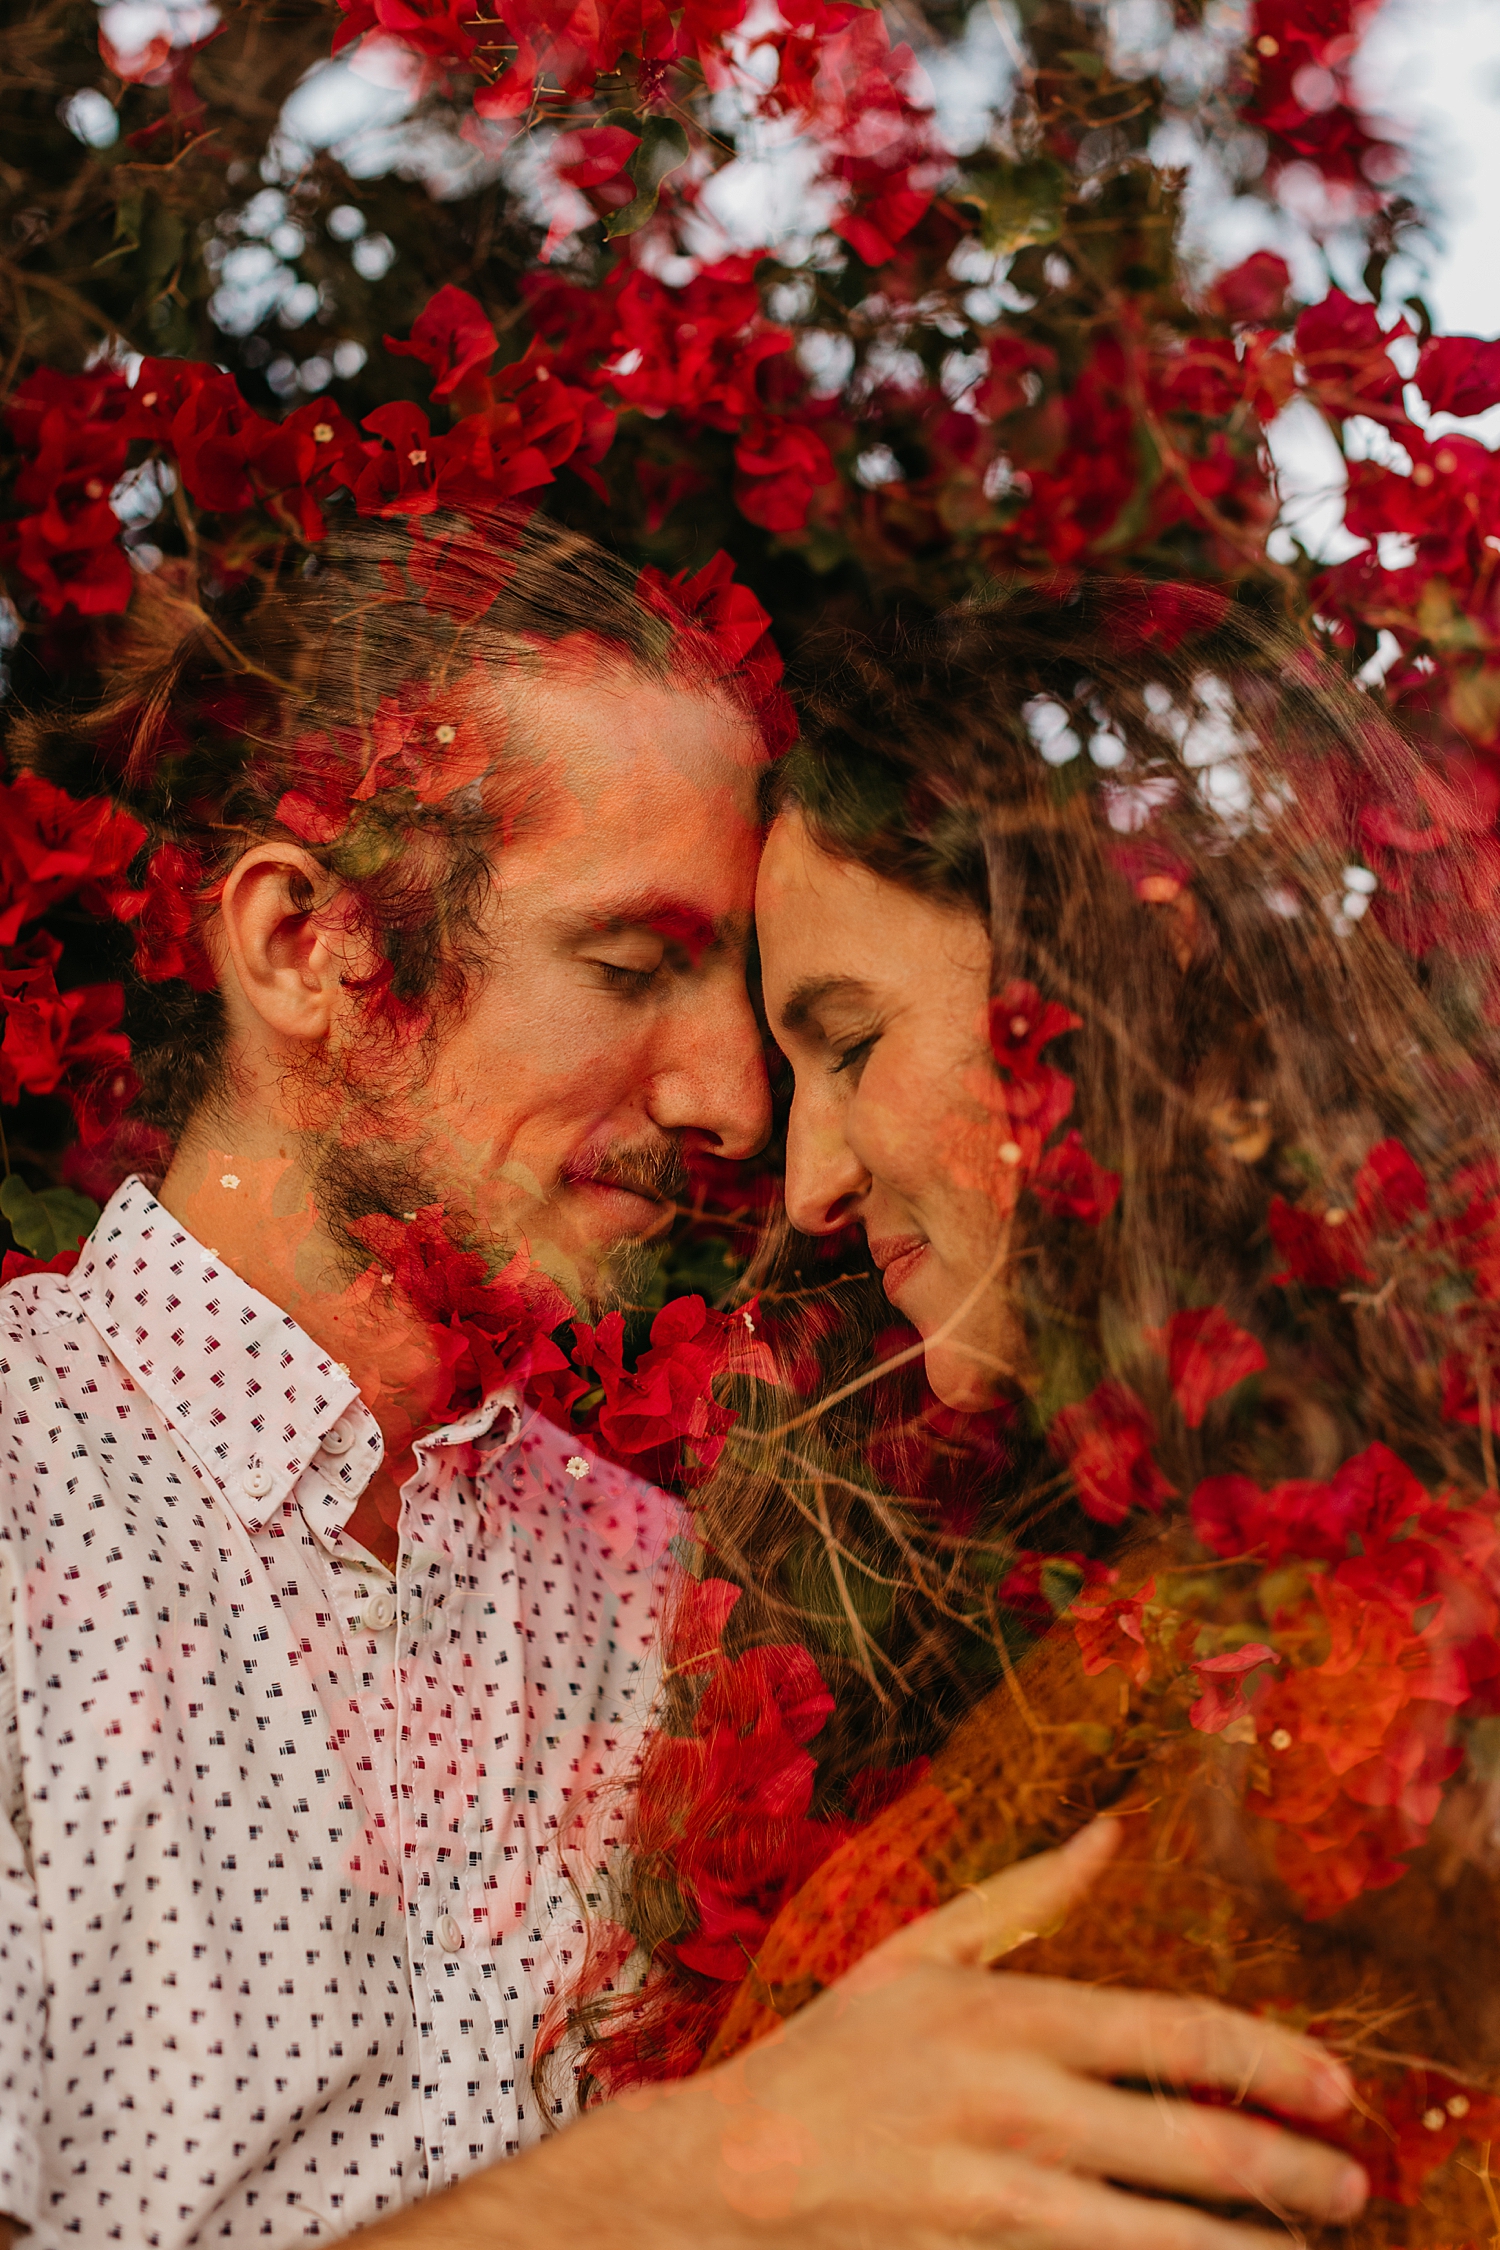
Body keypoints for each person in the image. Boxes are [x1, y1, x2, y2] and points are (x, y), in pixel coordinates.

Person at [0, 524, 1367, 2248]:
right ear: (303, 945)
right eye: (631, 968)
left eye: (770, 1008)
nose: (735, 1097)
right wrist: (704, 2179)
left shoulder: (681, 1588)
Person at [573, 587, 1500, 2243]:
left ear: (1123, 996)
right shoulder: (1133, 1598)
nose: (815, 1179)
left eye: (849, 1043)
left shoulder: (1372, 1646)